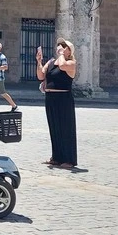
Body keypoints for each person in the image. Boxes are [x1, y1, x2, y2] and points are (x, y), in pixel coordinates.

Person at [35, 39, 84, 172]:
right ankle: (56, 157)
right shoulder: (51, 62)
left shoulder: (71, 63)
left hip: (64, 98)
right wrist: (39, 61)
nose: (60, 48)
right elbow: (40, 76)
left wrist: (62, 55)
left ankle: (69, 159)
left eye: (64, 46)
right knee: (54, 127)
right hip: (50, 98)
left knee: (66, 128)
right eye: (59, 46)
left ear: (70, 50)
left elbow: (62, 66)